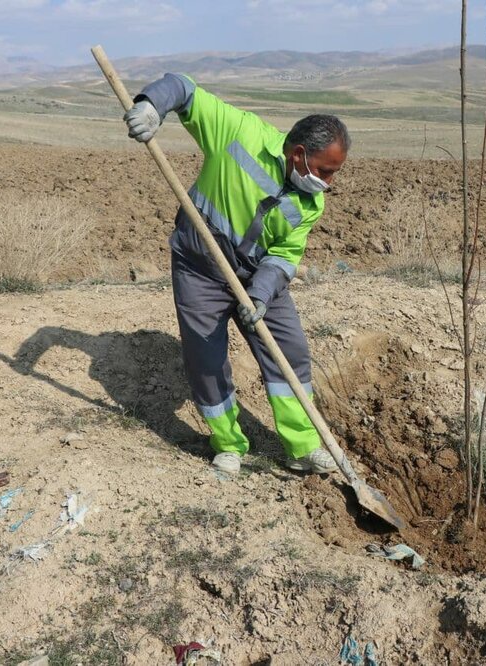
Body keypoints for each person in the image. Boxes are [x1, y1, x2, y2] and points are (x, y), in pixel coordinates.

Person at [123, 73, 349, 478]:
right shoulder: (240, 132)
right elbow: (183, 88)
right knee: (206, 358)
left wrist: (261, 296)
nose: (328, 183)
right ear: (298, 154)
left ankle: (301, 447)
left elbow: (284, 255)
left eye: (334, 173)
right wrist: (151, 106)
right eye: (325, 171)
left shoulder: (311, 205)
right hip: (200, 266)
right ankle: (228, 445)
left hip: (255, 275)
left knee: (290, 352)